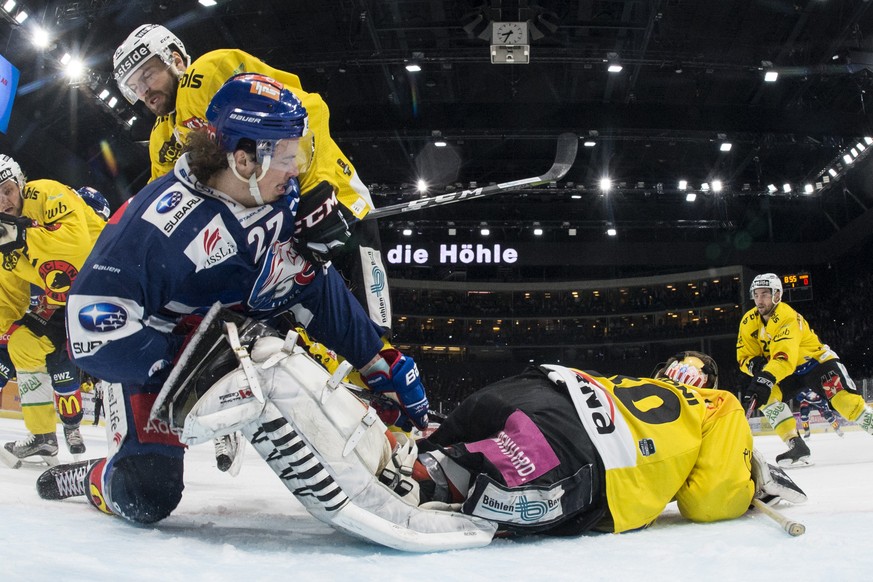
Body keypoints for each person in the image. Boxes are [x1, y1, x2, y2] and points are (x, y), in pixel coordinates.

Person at [63, 73, 428, 524]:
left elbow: (303, 280)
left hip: (231, 337)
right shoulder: (158, 227)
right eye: (288, 156)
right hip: (155, 351)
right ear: (243, 159)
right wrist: (199, 362)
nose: (296, 169)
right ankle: (99, 477)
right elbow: (89, 336)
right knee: (146, 493)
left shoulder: (277, 195)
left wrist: (377, 357)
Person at [111, 24, 392, 337]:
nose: (144, 91)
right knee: (311, 343)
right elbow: (166, 201)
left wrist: (316, 191)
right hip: (273, 238)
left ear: (175, 59)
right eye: (135, 85)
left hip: (335, 205)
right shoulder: (161, 138)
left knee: (372, 334)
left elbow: (304, 110)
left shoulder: (210, 71)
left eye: (148, 75)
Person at [410, 350, 806, 535]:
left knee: (435, 457)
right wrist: (747, 482)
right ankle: (421, 478)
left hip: (542, 384)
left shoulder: (636, 383)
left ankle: (401, 456)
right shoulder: (717, 403)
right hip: (585, 448)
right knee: (479, 487)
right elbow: (708, 501)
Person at [0, 156, 105, 463]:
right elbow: (8, 298)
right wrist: (4, 331)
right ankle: (44, 436)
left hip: (105, 283)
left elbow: (76, 247)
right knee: (22, 343)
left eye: (7, 190)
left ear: (21, 185)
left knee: (114, 364)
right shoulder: (2, 240)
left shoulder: (46, 192)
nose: (3, 201)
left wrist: (22, 235)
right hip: (62, 303)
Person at [737, 273, 873, 467]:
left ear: (777, 295)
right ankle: (797, 445)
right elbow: (743, 358)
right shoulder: (747, 321)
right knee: (767, 398)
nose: (760, 300)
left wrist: (765, 377)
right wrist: (757, 368)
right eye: (756, 294)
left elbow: (785, 359)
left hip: (817, 363)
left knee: (845, 403)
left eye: (765, 294)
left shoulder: (787, 316)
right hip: (785, 372)